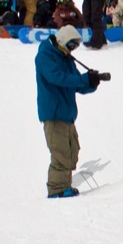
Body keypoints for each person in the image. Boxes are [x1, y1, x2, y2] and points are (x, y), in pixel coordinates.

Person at [36, 24, 103, 198]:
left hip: (67, 114)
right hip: (54, 114)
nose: (72, 49)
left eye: (75, 46)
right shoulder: (45, 56)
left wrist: (91, 82)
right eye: (71, 45)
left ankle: (65, 186)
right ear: (62, 41)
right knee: (61, 154)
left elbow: (76, 83)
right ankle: (56, 190)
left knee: (72, 152)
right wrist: (84, 79)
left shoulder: (66, 59)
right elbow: (58, 78)